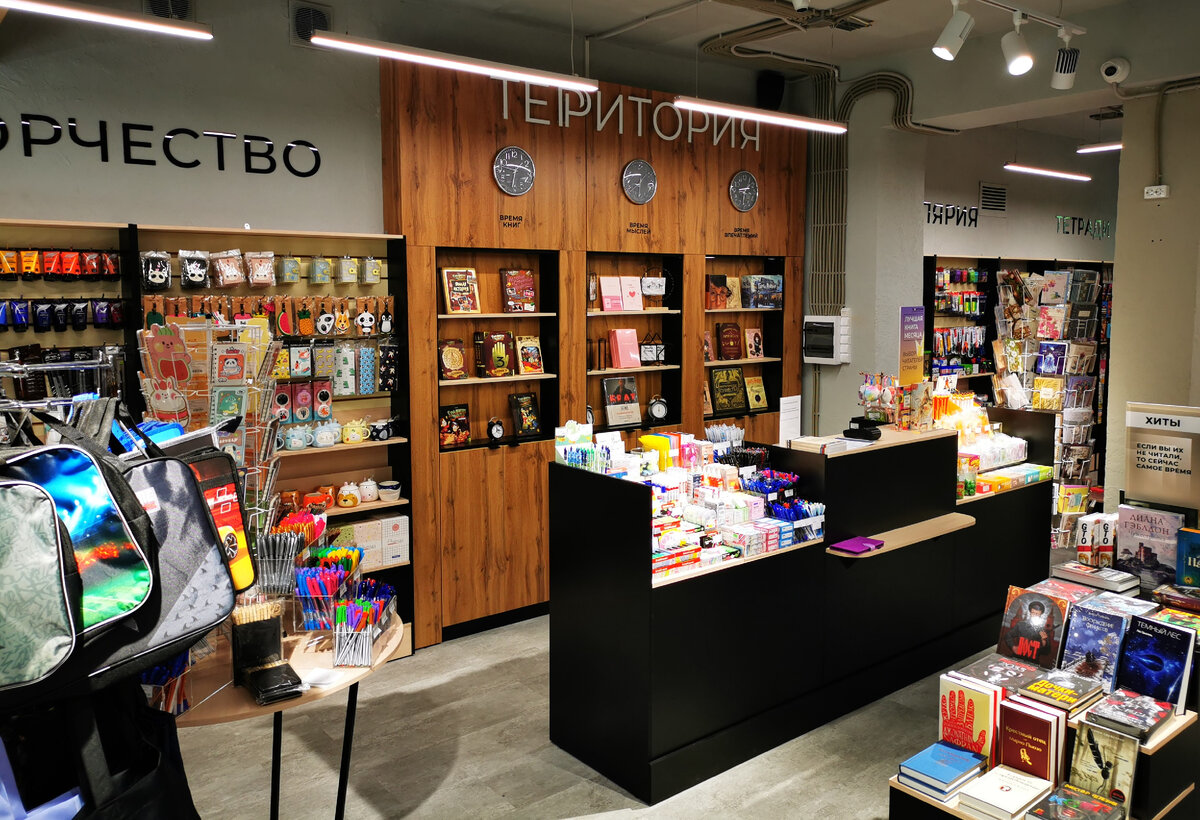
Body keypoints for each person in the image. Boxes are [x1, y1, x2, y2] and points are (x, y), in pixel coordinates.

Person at [1004, 598, 1055, 666]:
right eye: (1033, 613)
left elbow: (1046, 652)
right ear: (1030, 612)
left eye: (1037, 614)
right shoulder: (1021, 625)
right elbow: (1008, 635)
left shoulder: (1043, 630)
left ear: (1040, 615)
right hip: (1017, 659)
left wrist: (1044, 641)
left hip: (1033, 663)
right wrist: (1013, 646)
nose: (1035, 615)